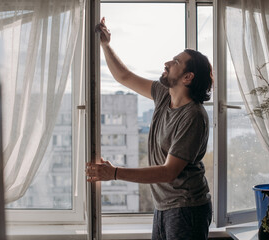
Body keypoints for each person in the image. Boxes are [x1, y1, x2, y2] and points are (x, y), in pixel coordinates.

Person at [86, 17, 213, 240]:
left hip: (187, 209)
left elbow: (168, 171)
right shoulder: (164, 95)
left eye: (175, 61)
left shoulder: (193, 116)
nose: (167, 63)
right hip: (165, 206)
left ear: (187, 77)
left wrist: (114, 173)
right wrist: (106, 45)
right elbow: (124, 76)